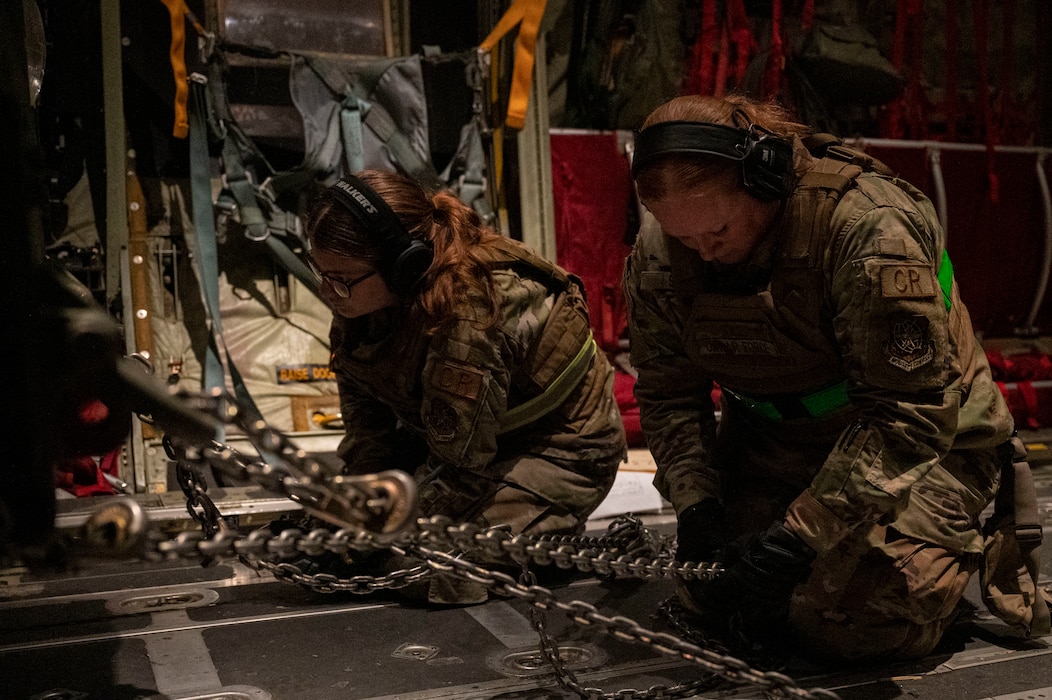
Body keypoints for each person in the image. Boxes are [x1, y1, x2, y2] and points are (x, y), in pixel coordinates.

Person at [623, 94, 1049, 661]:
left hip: (928, 449)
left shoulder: (868, 229)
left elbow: (909, 417)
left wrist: (801, 536)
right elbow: (669, 394)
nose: (703, 251)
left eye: (718, 230)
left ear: (765, 179)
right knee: (716, 593)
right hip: (776, 442)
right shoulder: (663, 249)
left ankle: (942, 571)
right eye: (684, 239)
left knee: (848, 623)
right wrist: (697, 505)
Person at [302, 170, 627, 602]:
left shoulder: (471, 314)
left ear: (403, 267)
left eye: (340, 278)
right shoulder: (361, 301)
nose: (327, 291)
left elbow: (459, 473)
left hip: (558, 450)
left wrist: (371, 534)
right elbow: (370, 434)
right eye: (320, 272)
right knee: (327, 530)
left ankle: (555, 538)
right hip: (462, 449)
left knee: (419, 569)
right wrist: (347, 513)